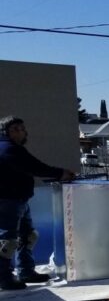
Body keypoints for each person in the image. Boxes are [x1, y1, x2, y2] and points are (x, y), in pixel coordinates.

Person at [0, 116, 76, 290]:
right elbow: (35, 167)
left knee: (27, 236)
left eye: (23, 128)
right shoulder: (9, 149)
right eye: (19, 129)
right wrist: (60, 173)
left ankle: (26, 271)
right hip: (8, 200)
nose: (24, 132)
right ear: (9, 132)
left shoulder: (11, 148)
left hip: (19, 199)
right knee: (7, 240)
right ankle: (4, 277)